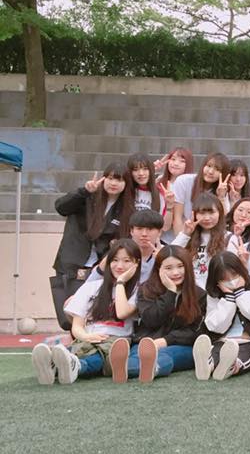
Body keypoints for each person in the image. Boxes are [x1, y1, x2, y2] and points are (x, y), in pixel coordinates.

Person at [33, 239, 140, 384]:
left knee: (96, 357)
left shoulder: (138, 290)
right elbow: (77, 325)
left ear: (136, 263)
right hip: (87, 338)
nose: (119, 265)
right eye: (115, 260)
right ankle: (52, 366)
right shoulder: (91, 287)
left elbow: (122, 313)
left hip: (115, 342)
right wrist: (86, 336)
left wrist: (121, 282)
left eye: (127, 261)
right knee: (72, 351)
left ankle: (74, 367)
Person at [108, 245, 207, 383]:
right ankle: (122, 368)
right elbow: (151, 320)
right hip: (147, 342)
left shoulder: (199, 294)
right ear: (159, 269)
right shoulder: (146, 290)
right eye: (168, 268)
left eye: (180, 266)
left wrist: (165, 341)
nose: (175, 272)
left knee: (165, 355)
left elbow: (194, 331)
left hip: (181, 346)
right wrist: (170, 292)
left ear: (188, 267)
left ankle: (148, 368)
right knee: (139, 355)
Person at [50, 164, 126, 331]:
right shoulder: (87, 197)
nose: (114, 183)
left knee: (91, 313)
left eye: (119, 180)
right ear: (103, 178)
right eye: (110, 178)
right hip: (73, 261)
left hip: (99, 267)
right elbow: (61, 207)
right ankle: (75, 343)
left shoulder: (124, 208)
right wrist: (84, 191)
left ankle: (83, 343)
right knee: (68, 313)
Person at [194, 252, 250, 381]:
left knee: (244, 355)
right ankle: (208, 365)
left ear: (240, 270)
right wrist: (229, 300)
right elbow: (216, 327)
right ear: (216, 281)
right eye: (224, 279)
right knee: (217, 351)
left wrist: (240, 293)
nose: (231, 281)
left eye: (234, 275)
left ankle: (232, 366)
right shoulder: (214, 293)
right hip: (223, 340)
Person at [172, 192, 239, 289]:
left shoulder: (228, 238)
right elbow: (170, 254)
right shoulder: (188, 236)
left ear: (219, 213)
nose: (207, 218)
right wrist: (185, 234)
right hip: (190, 291)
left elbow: (233, 272)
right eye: (202, 213)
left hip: (216, 292)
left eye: (212, 212)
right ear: (195, 214)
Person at [172, 151, 230, 235]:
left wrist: (221, 197)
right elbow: (177, 217)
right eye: (208, 166)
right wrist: (181, 239)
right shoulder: (184, 181)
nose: (210, 171)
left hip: (208, 236)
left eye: (217, 169)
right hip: (185, 232)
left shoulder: (222, 190)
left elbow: (223, 220)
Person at [122, 152, 169, 235]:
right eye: (135, 170)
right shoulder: (124, 190)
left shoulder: (160, 194)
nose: (141, 173)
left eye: (145, 169)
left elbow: (163, 226)